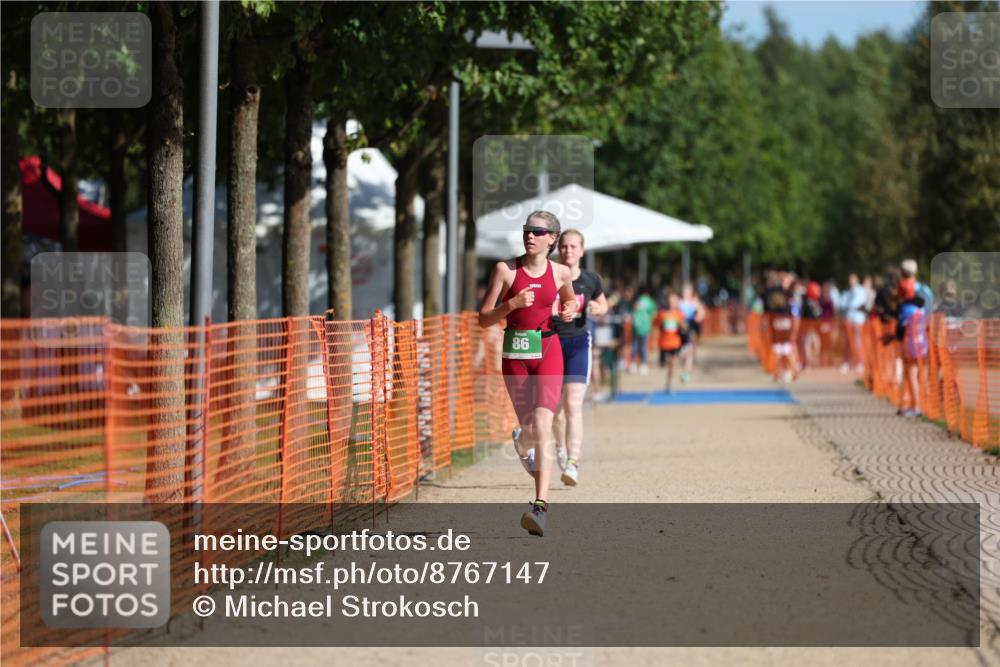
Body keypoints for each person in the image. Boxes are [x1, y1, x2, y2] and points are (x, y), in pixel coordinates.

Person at [478, 211, 578, 537]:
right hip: (516, 356)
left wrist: (569, 309)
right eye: (526, 230)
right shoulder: (506, 271)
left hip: (549, 352)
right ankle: (523, 441)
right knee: (531, 429)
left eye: (537, 231)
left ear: (552, 238)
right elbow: (483, 319)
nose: (530, 236)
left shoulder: (561, 272)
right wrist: (512, 304)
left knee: (544, 425)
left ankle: (540, 508)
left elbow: (569, 300)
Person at [551, 229, 608, 487]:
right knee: (555, 411)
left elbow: (603, 304)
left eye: (573, 246)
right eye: (564, 246)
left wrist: (598, 308)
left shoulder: (591, 279)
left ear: (582, 251)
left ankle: (573, 463)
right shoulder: (549, 276)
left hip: (578, 344)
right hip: (551, 344)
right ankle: (560, 449)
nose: (568, 250)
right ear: (558, 249)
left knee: (573, 404)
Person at [895, 277, 927, 417]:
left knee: (912, 375)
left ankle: (916, 407)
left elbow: (901, 330)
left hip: (911, 346)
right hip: (922, 343)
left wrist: (896, 336)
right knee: (912, 374)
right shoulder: (920, 306)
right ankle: (913, 405)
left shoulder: (905, 309)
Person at [654, 292, 687, 393]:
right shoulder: (662, 314)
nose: (671, 303)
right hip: (664, 343)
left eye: (674, 301)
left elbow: (684, 327)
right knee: (663, 364)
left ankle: (669, 385)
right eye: (670, 301)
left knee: (673, 364)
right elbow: (655, 325)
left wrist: (683, 327)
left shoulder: (679, 314)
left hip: (675, 343)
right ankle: (666, 366)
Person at [678, 283, 706, 384]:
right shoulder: (679, 303)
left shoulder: (695, 303)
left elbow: (702, 313)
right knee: (682, 353)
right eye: (684, 291)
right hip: (679, 332)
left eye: (688, 291)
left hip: (691, 330)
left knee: (690, 352)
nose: (686, 293)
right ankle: (682, 359)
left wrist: (696, 318)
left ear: (691, 293)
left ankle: (686, 374)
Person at [629, 285, 657, 375]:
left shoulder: (637, 300)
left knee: (634, 346)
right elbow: (653, 315)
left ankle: (633, 365)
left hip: (636, 327)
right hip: (645, 327)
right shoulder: (651, 302)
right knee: (643, 347)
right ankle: (643, 365)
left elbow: (632, 312)